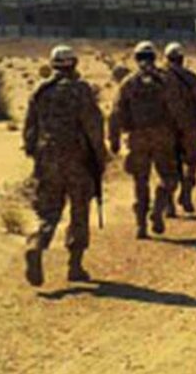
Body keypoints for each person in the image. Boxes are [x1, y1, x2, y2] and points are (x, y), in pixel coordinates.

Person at [23, 45, 107, 286]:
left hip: (47, 158)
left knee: (48, 210)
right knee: (79, 210)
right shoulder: (80, 90)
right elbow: (93, 127)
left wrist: (37, 154)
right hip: (77, 160)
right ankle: (75, 266)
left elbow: (30, 128)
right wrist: (99, 158)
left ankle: (37, 243)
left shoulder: (41, 91)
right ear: (74, 64)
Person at [109, 42, 180, 239]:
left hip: (137, 138)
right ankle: (158, 208)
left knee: (140, 182)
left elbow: (116, 113)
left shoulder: (128, 83)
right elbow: (177, 110)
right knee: (169, 177)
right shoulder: (165, 81)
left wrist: (114, 140)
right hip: (162, 137)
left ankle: (141, 226)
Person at [162, 42, 196, 215]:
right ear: (182, 58)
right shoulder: (192, 78)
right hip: (189, 126)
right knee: (192, 162)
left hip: (166, 128)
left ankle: (169, 204)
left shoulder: (159, 78)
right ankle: (186, 192)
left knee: (168, 165)